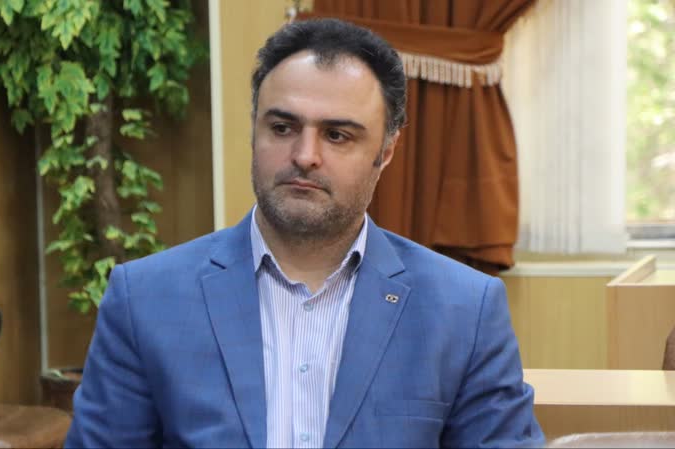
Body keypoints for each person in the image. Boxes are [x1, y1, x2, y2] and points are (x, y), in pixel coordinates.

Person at [65, 18, 544, 448]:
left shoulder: (464, 310)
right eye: (282, 127)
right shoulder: (145, 299)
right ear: (254, 132)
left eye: (337, 135)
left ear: (386, 152)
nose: (305, 155)